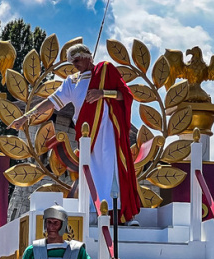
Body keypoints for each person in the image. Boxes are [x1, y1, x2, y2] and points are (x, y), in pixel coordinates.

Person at [9, 44, 141, 224]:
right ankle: (95, 214)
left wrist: (102, 93)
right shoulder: (72, 82)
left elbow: (125, 95)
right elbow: (51, 102)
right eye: (72, 62)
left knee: (113, 171)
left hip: (109, 132)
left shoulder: (105, 71)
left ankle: (123, 215)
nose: (74, 65)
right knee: (91, 173)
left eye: (77, 60)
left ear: (88, 57)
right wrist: (26, 117)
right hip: (88, 136)